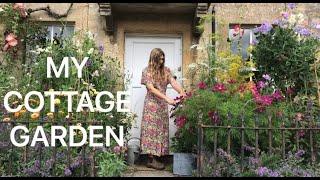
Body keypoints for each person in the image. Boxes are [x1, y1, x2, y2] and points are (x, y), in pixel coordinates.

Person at [140, 48, 186, 170]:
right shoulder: (147, 71)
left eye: (163, 58)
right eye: (160, 58)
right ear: (154, 58)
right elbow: (151, 89)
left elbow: (173, 81)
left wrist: (181, 91)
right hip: (151, 105)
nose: (162, 60)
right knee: (151, 131)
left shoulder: (166, 70)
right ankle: (151, 159)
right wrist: (167, 99)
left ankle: (158, 156)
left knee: (161, 129)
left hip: (161, 106)